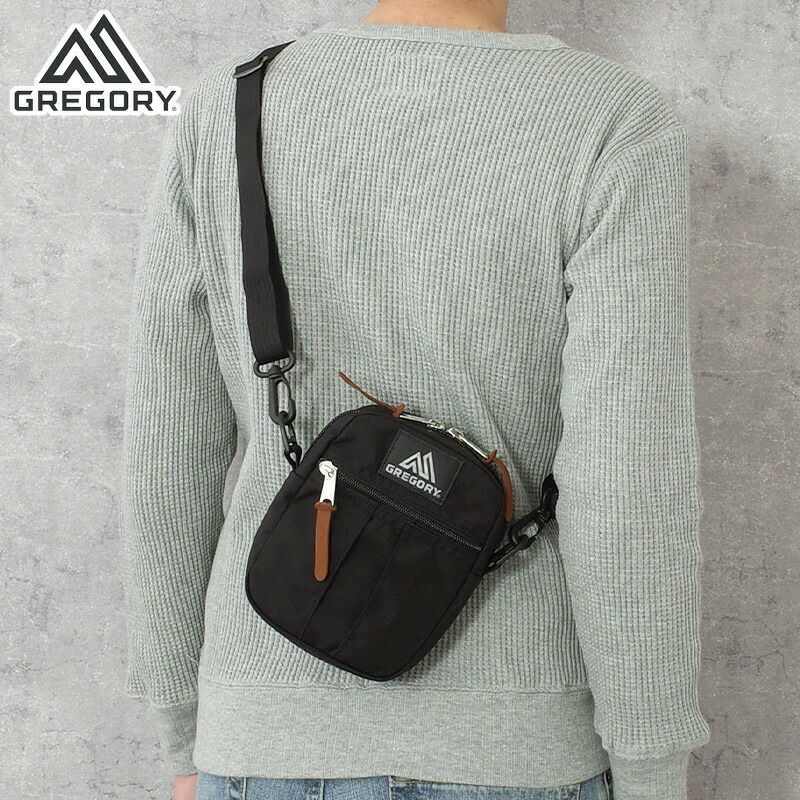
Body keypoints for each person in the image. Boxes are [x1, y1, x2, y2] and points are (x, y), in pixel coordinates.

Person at [120, 0, 711, 798]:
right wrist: (651, 770)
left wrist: (185, 734)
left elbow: (167, 455)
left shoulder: (231, 105)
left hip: (264, 738)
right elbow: (627, 483)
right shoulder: (612, 120)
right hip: (515, 749)